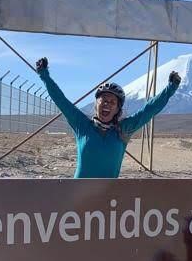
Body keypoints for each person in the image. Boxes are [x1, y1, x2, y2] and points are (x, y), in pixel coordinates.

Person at [34, 57, 181, 178]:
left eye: (112, 102)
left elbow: (148, 110)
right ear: (96, 103)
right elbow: (62, 101)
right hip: (77, 202)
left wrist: (171, 88)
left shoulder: (123, 130)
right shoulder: (82, 125)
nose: (107, 105)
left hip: (107, 202)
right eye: (103, 100)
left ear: (117, 109)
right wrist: (44, 75)